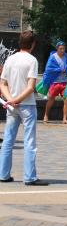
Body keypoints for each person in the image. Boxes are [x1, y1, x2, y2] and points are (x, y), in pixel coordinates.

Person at [0, 30, 48, 185]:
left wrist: (10, 100)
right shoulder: (32, 60)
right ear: (32, 44)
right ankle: (29, 177)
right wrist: (17, 100)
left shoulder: (10, 59)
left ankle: (3, 174)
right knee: (29, 141)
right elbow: (30, 87)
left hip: (11, 106)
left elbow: (3, 84)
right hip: (26, 105)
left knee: (8, 140)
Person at [43, 41, 67, 124]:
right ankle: (46, 115)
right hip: (54, 82)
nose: (62, 50)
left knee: (66, 99)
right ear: (57, 49)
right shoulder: (52, 57)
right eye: (61, 49)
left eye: (64, 49)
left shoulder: (66, 57)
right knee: (51, 99)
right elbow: (48, 69)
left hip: (64, 82)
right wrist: (61, 70)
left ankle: (64, 119)